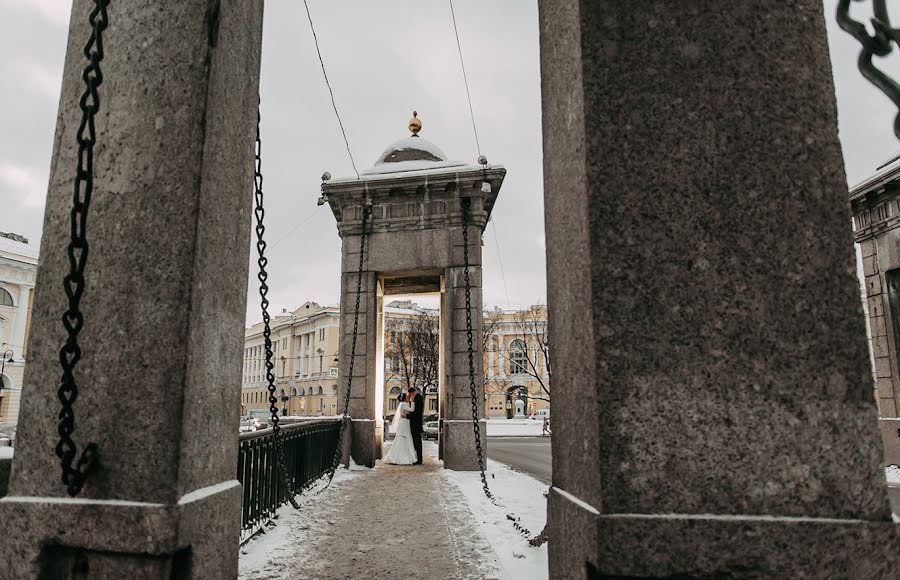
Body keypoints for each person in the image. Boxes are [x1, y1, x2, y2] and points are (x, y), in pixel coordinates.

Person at [383, 393, 417, 465]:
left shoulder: (405, 404)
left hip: (405, 422)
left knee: (405, 437)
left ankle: (406, 456)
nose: (409, 398)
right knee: (404, 436)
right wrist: (413, 401)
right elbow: (412, 409)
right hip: (404, 423)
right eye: (407, 397)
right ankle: (400, 457)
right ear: (404, 399)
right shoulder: (404, 404)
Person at [407, 387, 425, 464]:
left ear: (413, 392)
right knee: (416, 442)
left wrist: (407, 416)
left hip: (416, 424)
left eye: (410, 394)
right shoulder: (417, 398)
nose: (410, 396)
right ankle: (418, 458)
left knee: (417, 442)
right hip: (415, 424)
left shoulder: (418, 399)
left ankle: (419, 459)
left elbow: (417, 413)